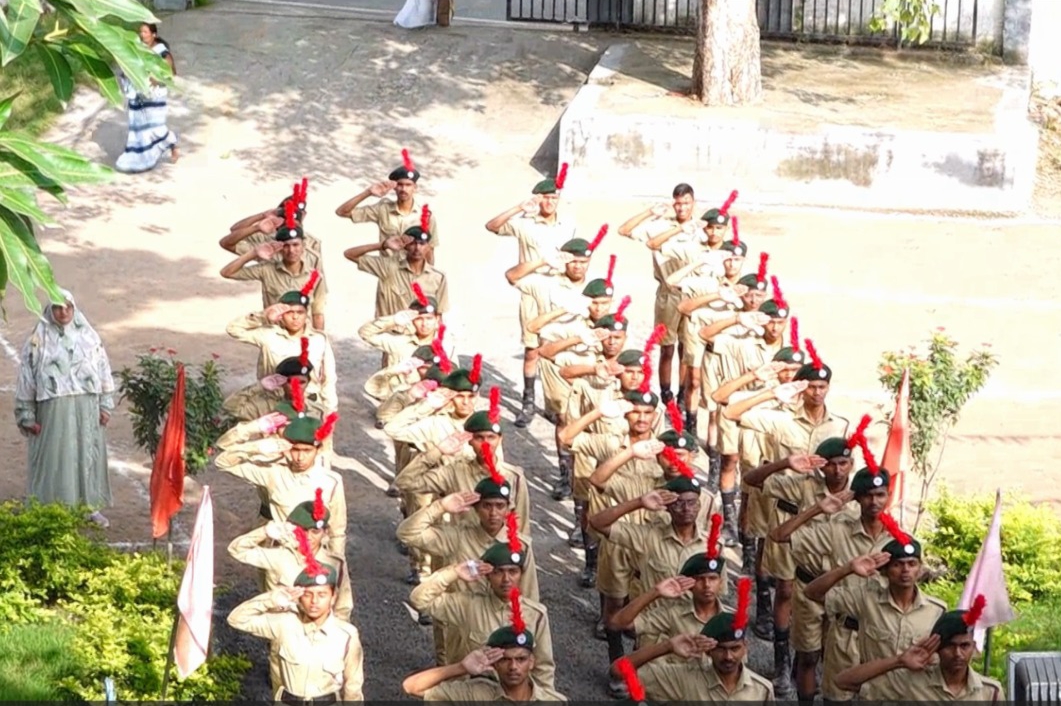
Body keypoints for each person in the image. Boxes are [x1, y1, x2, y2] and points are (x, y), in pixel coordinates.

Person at [485, 164, 575, 427]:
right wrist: (518, 207)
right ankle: (527, 401)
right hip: (532, 290)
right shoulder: (525, 224)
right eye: (545, 197)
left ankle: (553, 402)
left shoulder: (567, 224)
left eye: (554, 197)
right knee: (532, 348)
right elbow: (492, 225)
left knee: (558, 347)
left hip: (559, 290)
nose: (549, 202)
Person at [15, 291, 115, 527]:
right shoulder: (37, 341)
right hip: (52, 408)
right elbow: (27, 379)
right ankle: (48, 508)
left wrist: (105, 404)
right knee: (54, 459)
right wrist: (26, 414)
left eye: (68, 307)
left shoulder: (89, 337)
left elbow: (103, 369)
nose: (64, 312)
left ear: (74, 307)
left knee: (86, 456)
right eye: (58, 307)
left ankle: (90, 507)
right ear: (50, 309)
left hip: (86, 406)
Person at [617, 577, 774, 702]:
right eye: (720, 649)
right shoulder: (686, 679)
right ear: (708, 650)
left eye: (735, 648)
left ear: (745, 648)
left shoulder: (761, 691)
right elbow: (618, 670)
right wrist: (667, 646)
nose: (728, 657)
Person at [227, 562, 364, 702]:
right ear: (299, 598)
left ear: (333, 597)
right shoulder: (284, 624)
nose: (314, 601)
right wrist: (273, 599)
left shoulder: (346, 635)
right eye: (307, 595)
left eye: (322, 595)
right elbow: (237, 619)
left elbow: (353, 687)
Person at [834, 597, 1003, 701]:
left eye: (964, 646)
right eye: (949, 646)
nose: (957, 654)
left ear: (974, 647)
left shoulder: (990, 692)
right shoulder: (911, 682)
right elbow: (843, 681)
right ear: (936, 648)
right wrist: (898, 661)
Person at [403, 624, 567, 701]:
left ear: (532, 662)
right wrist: (461, 667)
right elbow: (412, 687)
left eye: (521, 659)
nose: (513, 667)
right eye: (504, 660)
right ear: (494, 663)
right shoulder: (476, 694)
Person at [336, 151, 440, 265]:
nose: (403, 189)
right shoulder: (383, 209)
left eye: (408, 185)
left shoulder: (426, 217)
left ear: (415, 187)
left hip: (413, 276)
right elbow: (342, 212)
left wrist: (430, 279)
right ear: (394, 187)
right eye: (400, 184)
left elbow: (429, 251)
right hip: (388, 275)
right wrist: (368, 192)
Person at [115, 23, 179, 173]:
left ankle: (172, 142)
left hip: (155, 97)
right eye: (140, 32)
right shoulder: (138, 49)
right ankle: (137, 160)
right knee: (139, 129)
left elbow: (170, 73)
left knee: (156, 128)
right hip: (138, 96)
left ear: (154, 34)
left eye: (145, 32)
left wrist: (150, 81)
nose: (142, 35)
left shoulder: (162, 52)